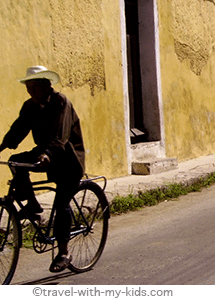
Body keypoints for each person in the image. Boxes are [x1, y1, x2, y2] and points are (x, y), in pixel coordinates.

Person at [0, 66, 85, 272]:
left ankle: (63, 252)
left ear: (47, 86)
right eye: (28, 87)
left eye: (35, 87)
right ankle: (32, 205)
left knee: (61, 204)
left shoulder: (61, 102)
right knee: (15, 161)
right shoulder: (30, 106)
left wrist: (47, 153)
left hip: (68, 159)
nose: (31, 92)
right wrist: (1, 146)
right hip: (44, 155)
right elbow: (18, 129)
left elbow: (60, 135)